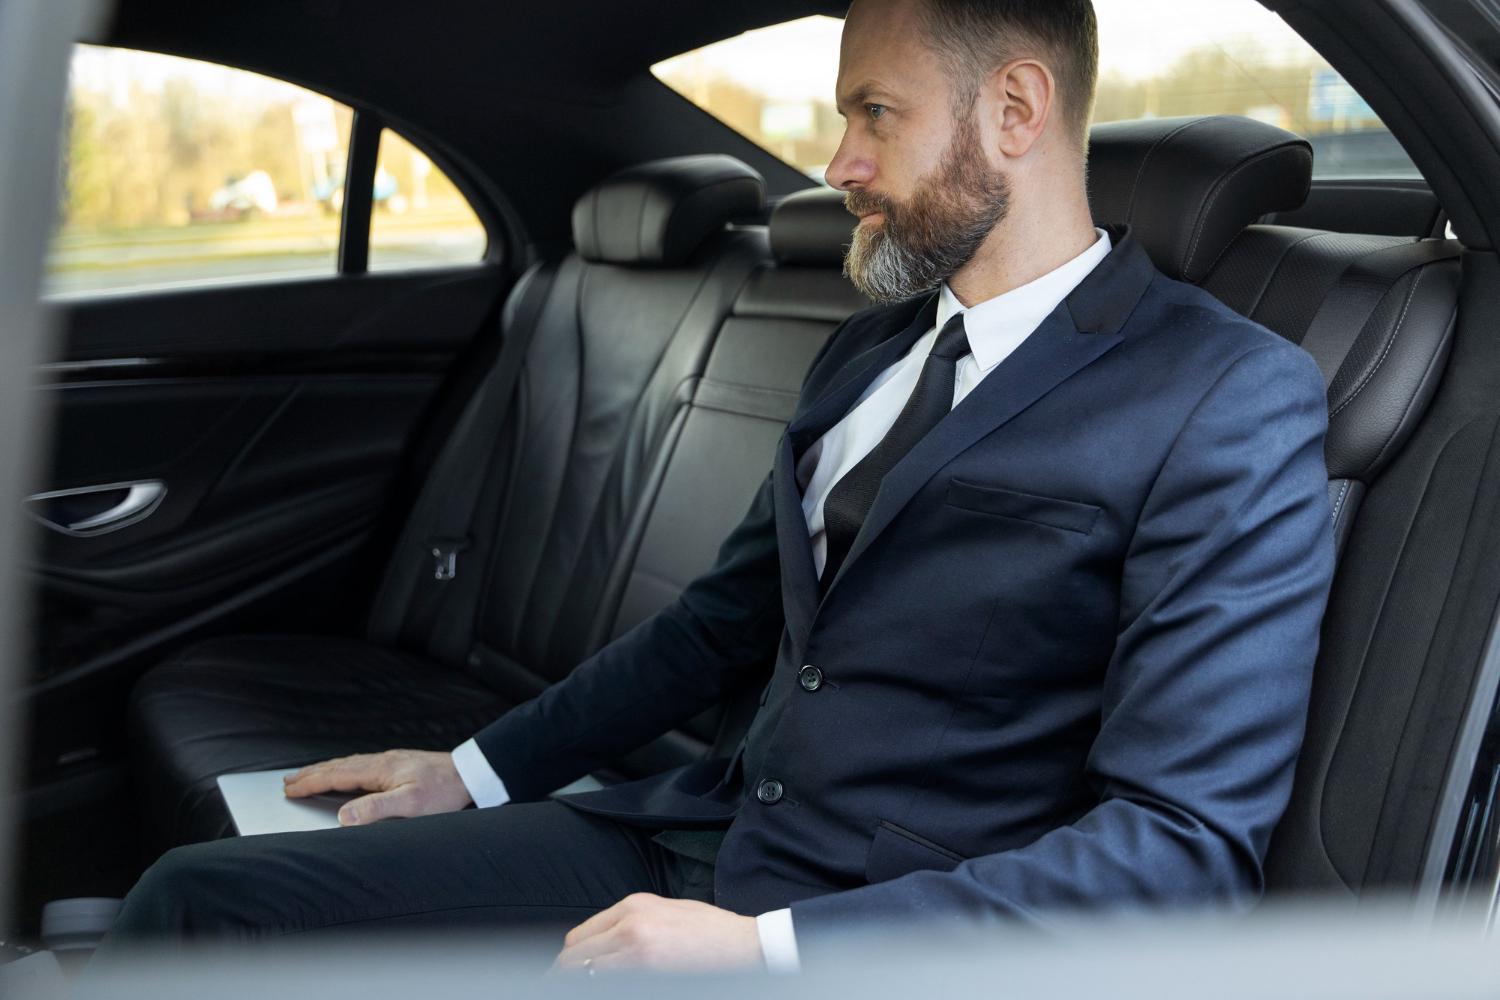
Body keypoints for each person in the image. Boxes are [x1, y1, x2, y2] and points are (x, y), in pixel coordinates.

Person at [102, 0, 1334, 975]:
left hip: (875, 928)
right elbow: (717, 627)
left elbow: (1177, 849)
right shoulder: (869, 352)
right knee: (201, 908)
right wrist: (471, 771)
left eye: (876, 113)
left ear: (1015, 109)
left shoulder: (1224, 397)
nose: (839, 162)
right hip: (690, 835)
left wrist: (766, 952)